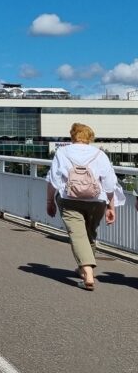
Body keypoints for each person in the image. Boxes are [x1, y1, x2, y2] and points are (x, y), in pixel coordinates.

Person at [45, 123, 124, 290]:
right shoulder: (99, 154)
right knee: (89, 233)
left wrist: (50, 201)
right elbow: (109, 183)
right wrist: (111, 206)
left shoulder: (62, 152)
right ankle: (83, 269)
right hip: (97, 201)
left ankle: (87, 273)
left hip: (69, 199)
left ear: (72, 136)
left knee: (78, 235)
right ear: (90, 137)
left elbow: (54, 180)